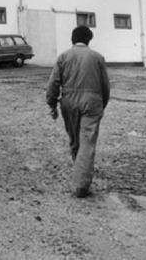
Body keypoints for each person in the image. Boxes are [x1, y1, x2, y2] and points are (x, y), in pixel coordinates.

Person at [46, 25, 110, 198]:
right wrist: (101, 106)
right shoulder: (98, 57)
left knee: (75, 140)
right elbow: (105, 86)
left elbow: (53, 84)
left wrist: (52, 104)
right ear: (89, 40)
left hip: (69, 102)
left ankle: (79, 176)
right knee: (87, 142)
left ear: (72, 39)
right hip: (92, 103)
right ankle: (81, 184)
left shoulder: (63, 57)